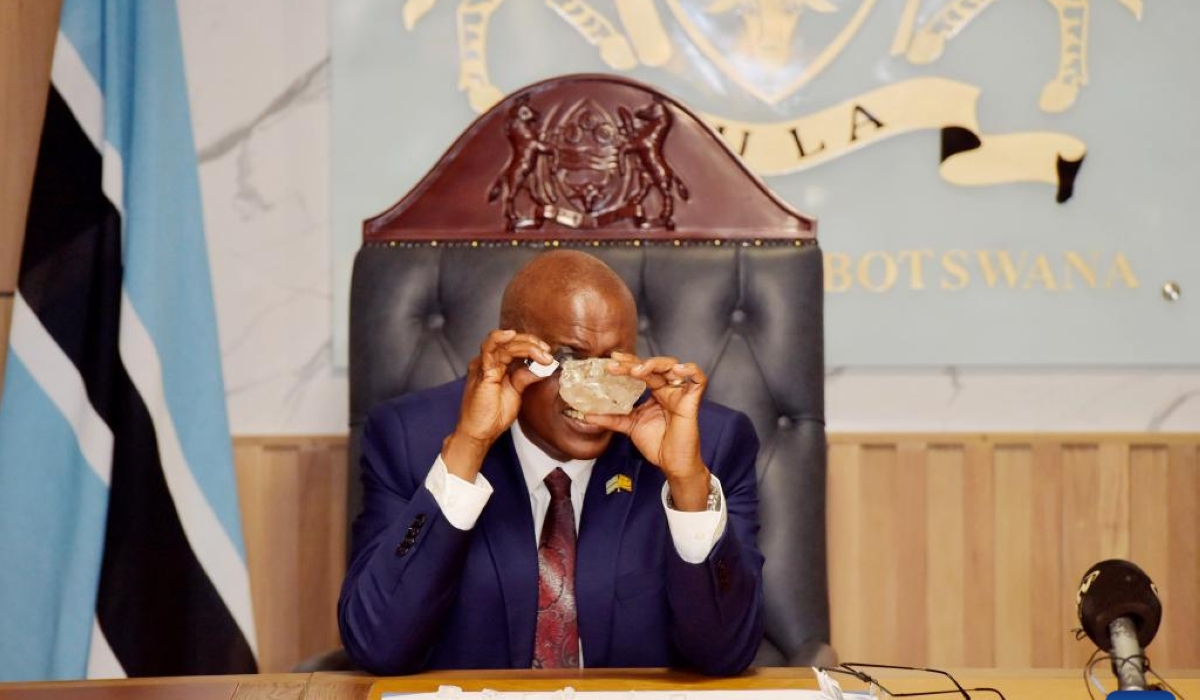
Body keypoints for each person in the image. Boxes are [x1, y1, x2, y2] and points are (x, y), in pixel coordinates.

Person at [338, 250, 763, 675]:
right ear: (513, 355)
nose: (593, 388)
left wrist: (687, 483)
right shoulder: (409, 438)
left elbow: (724, 657)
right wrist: (468, 449)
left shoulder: (706, 443)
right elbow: (378, 645)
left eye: (614, 363)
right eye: (570, 359)